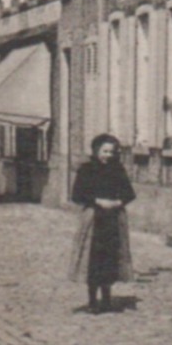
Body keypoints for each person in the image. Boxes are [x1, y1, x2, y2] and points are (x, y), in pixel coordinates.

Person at [68, 133, 137, 314]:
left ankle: (106, 298)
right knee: (92, 260)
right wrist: (98, 201)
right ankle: (92, 300)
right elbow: (77, 195)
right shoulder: (86, 169)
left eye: (111, 152)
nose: (107, 155)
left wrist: (118, 202)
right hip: (94, 219)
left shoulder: (118, 169)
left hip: (113, 220)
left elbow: (129, 193)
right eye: (104, 151)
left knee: (110, 259)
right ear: (96, 150)